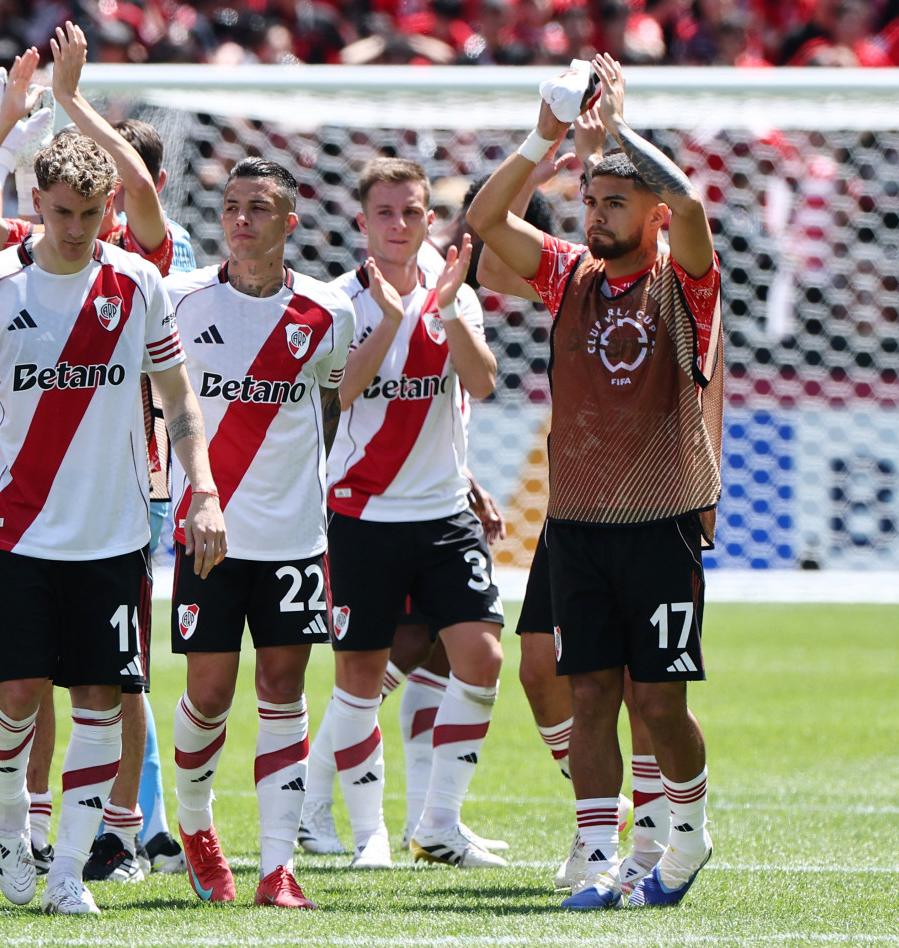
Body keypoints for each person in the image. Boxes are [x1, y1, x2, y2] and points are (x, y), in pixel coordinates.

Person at [0, 130, 225, 916]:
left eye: (91, 213)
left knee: (101, 697)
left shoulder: (137, 284)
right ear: (36, 203)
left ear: (109, 208)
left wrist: (202, 488)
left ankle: (67, 871)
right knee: (19, 690)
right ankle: (7, 823)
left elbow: (180, 396)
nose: (76, 228)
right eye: (62, 212)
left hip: (116, 531)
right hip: (20, 529)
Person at [467, 54, 722, 910]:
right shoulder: (567, 274)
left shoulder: (683, 283)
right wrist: (546, 139)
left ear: (647, 211)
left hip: (660, 521)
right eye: (592, 199)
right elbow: (483, 217)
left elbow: (689, 202)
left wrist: (615, 133)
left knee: (658, 703)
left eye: (616, 201)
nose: (598, 213)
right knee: (590, 696)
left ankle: (685, 836)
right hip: (576, 525)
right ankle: (599, 850)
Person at [165, 157, 353, 909]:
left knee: (283, 687)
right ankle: (196, 828)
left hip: (294, 538)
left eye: (260, 207)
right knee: (209, 694)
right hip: (208, 534)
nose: (242, 218)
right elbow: (170, 404)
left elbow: (331, 401)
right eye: (233, 205)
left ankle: (278, 866)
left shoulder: (325, 313)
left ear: (290, 221)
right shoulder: (180, 302)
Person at [311, 158, 505, 870]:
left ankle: (440, 824)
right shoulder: (339, 301)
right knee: (360, 678)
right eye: (385, 213)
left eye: (413, 212)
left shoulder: (453, 291)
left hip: (444, 512)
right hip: (361, 513)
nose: (400, 225)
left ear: (429, 217)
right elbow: (340, 394)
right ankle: (371, 836)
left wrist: (449, 308)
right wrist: (388, 320)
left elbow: (481, 383)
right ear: (363, 222)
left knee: (481, 656)